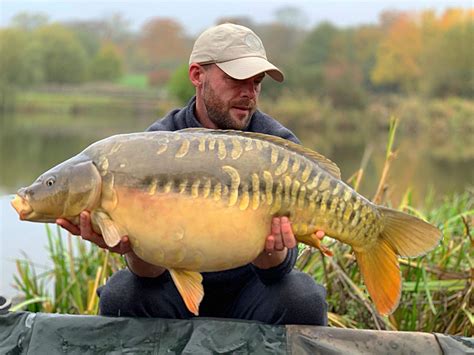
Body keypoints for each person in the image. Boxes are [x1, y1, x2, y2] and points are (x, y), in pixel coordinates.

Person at [57, 23, 328, 326]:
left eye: (257, 82)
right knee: (122, 295)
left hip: (252, 290)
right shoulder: (154, 146)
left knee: (303, 299)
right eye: (237, 79)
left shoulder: (277, 148)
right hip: (173, 288)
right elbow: (149, 273)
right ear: (197, 75)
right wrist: (129, 248)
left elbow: (275, 272)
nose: (249, 94)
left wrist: (272, 249)